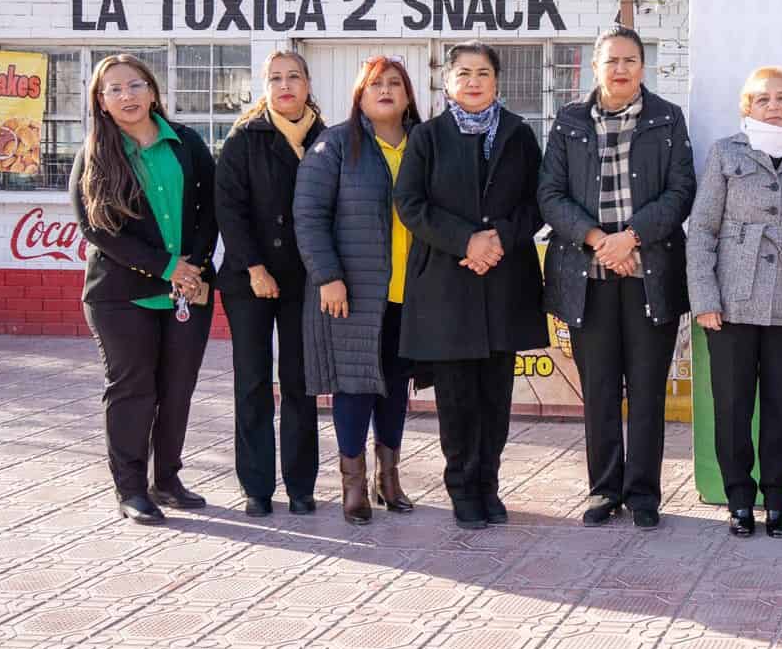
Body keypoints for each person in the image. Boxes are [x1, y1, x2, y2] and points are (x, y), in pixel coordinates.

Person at [540, 27, 695, 531]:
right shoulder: (569, 121)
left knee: (648, 390)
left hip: (651, 272)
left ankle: (644, 493)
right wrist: (598, 241)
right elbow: (550, 194)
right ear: (595, 67)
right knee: (601, 389)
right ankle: (605, 489)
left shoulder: (667, 118)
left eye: (630, 60)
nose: (621, 69)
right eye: (611, 61)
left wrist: (630, 238)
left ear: (643, 67)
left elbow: (680, 191)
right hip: (588, 275)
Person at [394, 42, 546, 529]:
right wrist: (467, 241)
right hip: (447, 285)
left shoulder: (519, 134)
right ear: (447, 82)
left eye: (483, 72)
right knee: (456, 397)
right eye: (464, 73)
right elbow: (410, 204)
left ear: (497, 81)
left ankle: (488, 486)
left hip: (503, 280)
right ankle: (461, 487)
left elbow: (539, 200)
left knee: (495, 396)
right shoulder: (428, 136)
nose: (474, 81)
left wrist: (498, 238)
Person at [687, 66, 782, 539]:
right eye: (762, 99)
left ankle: (777, 499)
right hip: (731, 301)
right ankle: (738, 499)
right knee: (732, 407)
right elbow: (702, 230)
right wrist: (704, 297)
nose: (773, 106)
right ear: (746, 107)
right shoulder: (724, 153)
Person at [70, 54, 218, 525]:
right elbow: (97, 229)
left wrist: (193, 266)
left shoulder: (187, 143)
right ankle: (131, 489)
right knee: (133, 389)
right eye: (114, 89)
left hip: (187, 289)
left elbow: (211, 208)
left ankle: (167, 480)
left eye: (135, 85)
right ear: (101, 101)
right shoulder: (96, 153)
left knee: (177, 389)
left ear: (152, 91)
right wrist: (167, 266)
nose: (126, 96)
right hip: (120, 295)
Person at [293, 56, 423, 525]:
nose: (385, 90)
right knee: (354, 386)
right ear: (359, 95)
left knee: (395, 387)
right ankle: (353, 485)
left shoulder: (423, 144)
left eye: (395, 83)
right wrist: (327, 276)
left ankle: (389, 479)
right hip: (353, 293)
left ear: (408, 95)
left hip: (413, 292)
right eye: (375, 84)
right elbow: (309, 216)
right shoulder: (334, 145)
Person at [214, 49, 325, 517]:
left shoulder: (326, 138)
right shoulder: (244, 137)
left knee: (301, 382)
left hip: (305, 278)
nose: (285, 86)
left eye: (293, 77)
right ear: (265, 87)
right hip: (249, 279)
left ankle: (301, 486)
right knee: (253, 382)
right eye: (275, 78)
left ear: (307, 84)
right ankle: (256, 487)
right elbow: (229, 210)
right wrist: (255, 268)